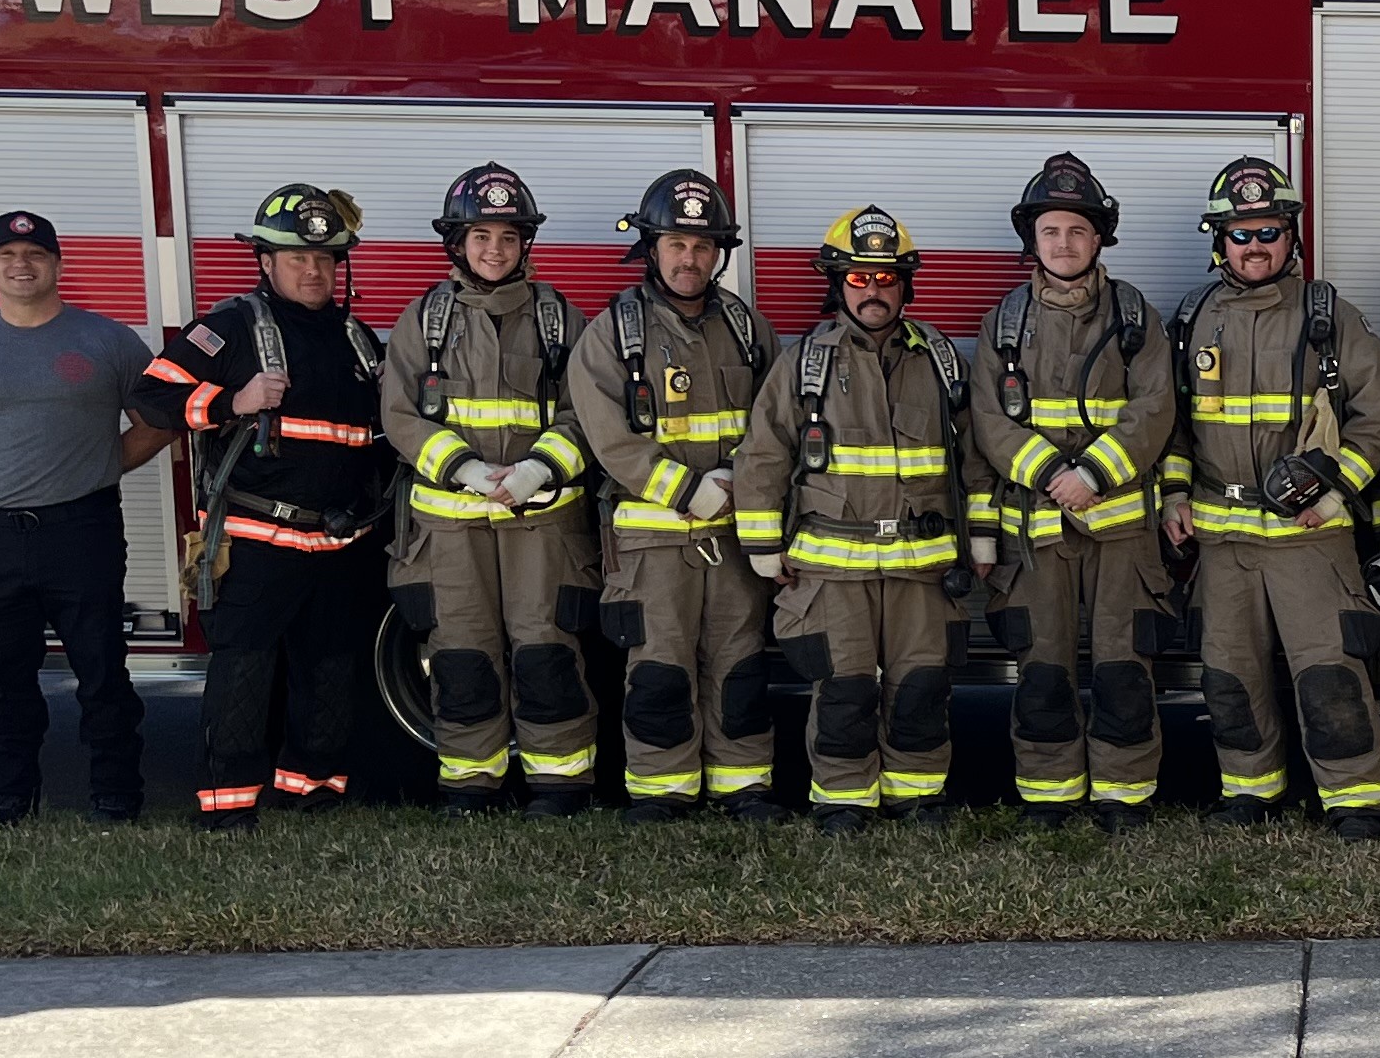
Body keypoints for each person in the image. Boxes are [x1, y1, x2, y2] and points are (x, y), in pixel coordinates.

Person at [1161, 156, 1380, 837]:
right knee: (1230, 677)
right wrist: (1175, 491)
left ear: (1290, 235)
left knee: (1330, 675)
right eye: (1240, 233)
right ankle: (1250, 789)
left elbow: (1378, 413)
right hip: (1223, 540)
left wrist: (1336, 496)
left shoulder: (1328, 315)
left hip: (1309, 536)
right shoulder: (1191, 319)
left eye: (1268, 230)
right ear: (1219, 241)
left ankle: (1356, 799)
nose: (1255, 245)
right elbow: (1173, 423)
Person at [140, 183, 395, 829]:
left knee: (333, 670)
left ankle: (311, 791)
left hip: (340, 543)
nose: (313, 270)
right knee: (244, 674)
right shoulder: (230, 327)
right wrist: (231, 401)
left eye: (326, 259)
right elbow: (151, 399)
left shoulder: (359, 339)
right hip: (258, 536)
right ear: (265, 261)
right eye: (298, 257)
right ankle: (227, 807)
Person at [737, 207, 976, 833]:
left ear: (906, 283)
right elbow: (764, 453)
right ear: (838, 282)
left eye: (887, 278)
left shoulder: (941, 360)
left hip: (922, 572)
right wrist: (763, 546)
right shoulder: (803, 365)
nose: (874, 290)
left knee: (921, 688)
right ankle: (843, 800)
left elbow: (972, 462)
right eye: (860, 278)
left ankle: (917, 797)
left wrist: (980, 540)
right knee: (844, 690)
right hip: (831, 572)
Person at [0, 211, 167, 825]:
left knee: (102, 674)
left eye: (34, 254)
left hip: (82, 531)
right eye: (6, 255)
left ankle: (116, 795)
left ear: (57, 265)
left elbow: (156, 424)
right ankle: (10, 797)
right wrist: (11, 473)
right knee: (5, 680)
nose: (20, 265)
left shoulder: (108, 341)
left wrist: (94, 468)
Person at [968, 153, 1180, 831]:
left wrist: (1091, 474)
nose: (1063, 243)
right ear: (1033, 237)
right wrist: (1045, 474)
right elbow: (987, 420)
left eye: (1077, 231)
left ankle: (1124, 794)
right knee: (1043, 667)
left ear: (1099, 238)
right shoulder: (1003, 323)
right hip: (1035, 535)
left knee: (1124, 665)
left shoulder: (1134, 314)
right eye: (1051, 230)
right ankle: (1050, 795)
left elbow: (1156, 406)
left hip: (1121, 531)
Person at [380, 163, 599, 815]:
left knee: (547, 649)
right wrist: (467, 470)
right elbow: (399, 413)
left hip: (544, 523)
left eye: (507, 236)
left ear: (524, 242)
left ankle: (559, 786)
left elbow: (588, 414)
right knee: (463, 652)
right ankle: (470, 786)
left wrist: (536, 471)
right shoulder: (425, 320)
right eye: (480, 236)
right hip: (451, 527)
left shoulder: (562, 319)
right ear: (457, 242)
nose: (494, 250)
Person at [564, 169, 782, 822]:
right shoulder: (612, 333)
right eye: (677, 244)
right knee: (659, 668)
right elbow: (610, 439)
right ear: (652, 246)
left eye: (703, 245)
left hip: (732, 539)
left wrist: (740, 487)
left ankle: (743, 787)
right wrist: (690, 489)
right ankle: (662, 792)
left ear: (718, 253)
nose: (691, 259)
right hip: (651, 542)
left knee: (739, 663)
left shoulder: (747, 328)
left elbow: (778, 423)